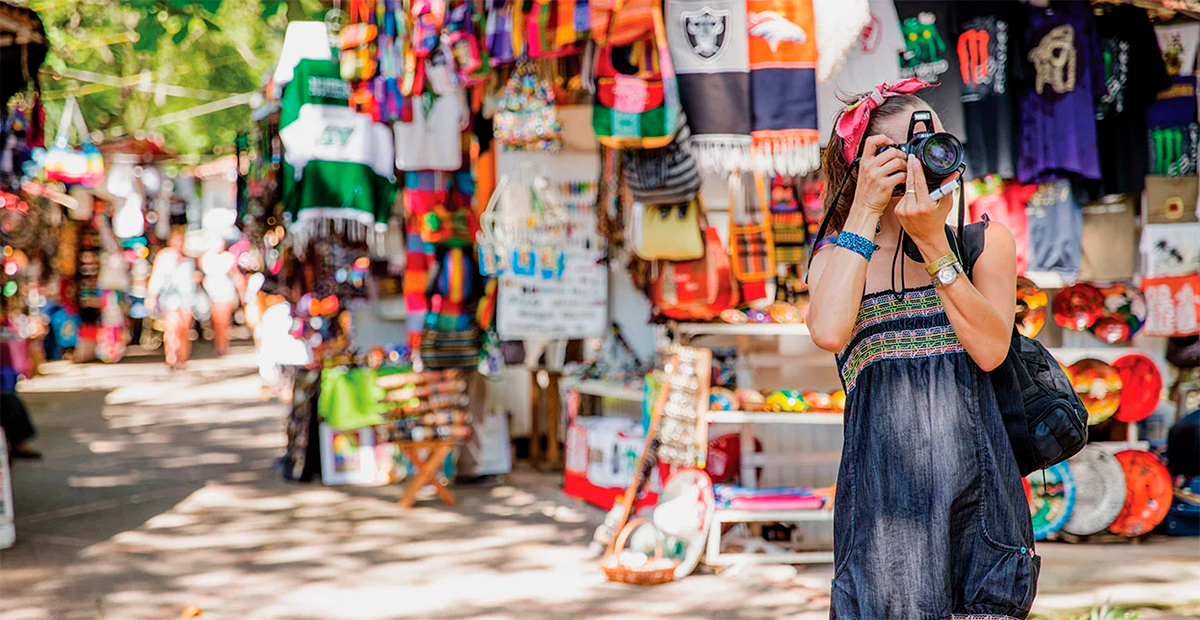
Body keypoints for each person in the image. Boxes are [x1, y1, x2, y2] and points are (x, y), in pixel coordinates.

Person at [806, 80, 1035, 620]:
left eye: (938, 141)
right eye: (908, 149)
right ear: (865, 163)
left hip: (977, 503)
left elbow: (989, 351)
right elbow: (829, 332)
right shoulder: (838, 257)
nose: (931, 156)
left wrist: (934, 242)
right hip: (881, 514)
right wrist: (863, 211)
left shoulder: (982, 242)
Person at [146, 231, 197, 370]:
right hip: (170, 298)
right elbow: (156, 276)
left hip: (187, 298)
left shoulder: (189, 260)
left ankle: (182, 358)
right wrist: (151, 296)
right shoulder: (164, 257)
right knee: (172, 328)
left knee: (184, 330)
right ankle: (171, 356)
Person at [200, 238, 242, 356]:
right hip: (211, 293)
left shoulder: (228, 258)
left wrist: (242, 293)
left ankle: (223, 345)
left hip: (225, 293)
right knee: (215, 321)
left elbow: (235, 275)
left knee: (223, 320)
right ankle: (218, 344)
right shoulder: (206, 258)